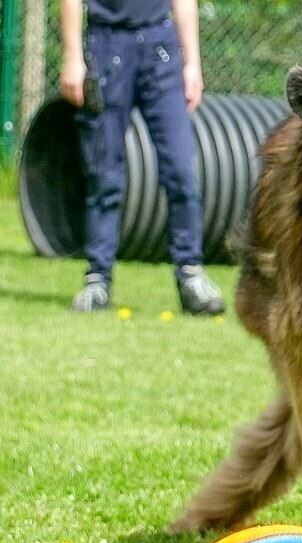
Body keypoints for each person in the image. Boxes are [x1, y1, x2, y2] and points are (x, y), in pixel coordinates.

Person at [59, 0, 225, 315]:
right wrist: (72, 56)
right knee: (103, 173)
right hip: (106, 45)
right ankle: (98, 280)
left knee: (181, 171)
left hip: (160, 47)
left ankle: (191, 275)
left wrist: (192, 62)